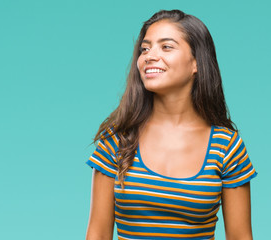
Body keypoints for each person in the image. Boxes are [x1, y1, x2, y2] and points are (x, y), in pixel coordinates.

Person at [85, 9, 257, 240]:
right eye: (145, 48)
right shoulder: (117, 140)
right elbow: (97, 235)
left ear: (196, 62)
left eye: (166, 47)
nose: (149, 56)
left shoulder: (226, 146)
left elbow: (240, 237)